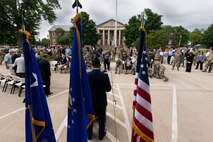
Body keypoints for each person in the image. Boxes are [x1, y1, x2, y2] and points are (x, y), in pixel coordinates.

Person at [87, 58, 112, 141]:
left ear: (92, 65)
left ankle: (89, 135)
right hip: (101, 101)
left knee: (90, 118)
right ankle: (101, 135)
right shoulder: (104, 75)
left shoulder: (87, 75)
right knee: (101, 119)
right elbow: (108, 89)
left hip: (90, 101)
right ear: (100, 65)